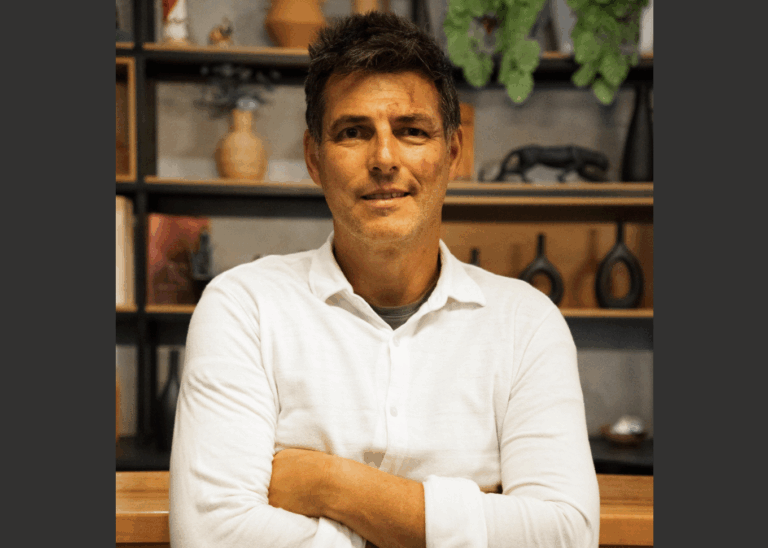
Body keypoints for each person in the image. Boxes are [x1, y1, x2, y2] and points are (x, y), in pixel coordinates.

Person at [169, 11, 600, 548]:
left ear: (453, 153)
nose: (384, 158)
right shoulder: (244, 308)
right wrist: (472, 519)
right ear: (313, 158)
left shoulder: (526, 323)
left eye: (412, 131)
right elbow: (211, 534)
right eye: (353, 132)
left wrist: (330, 485)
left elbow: (565, 533)